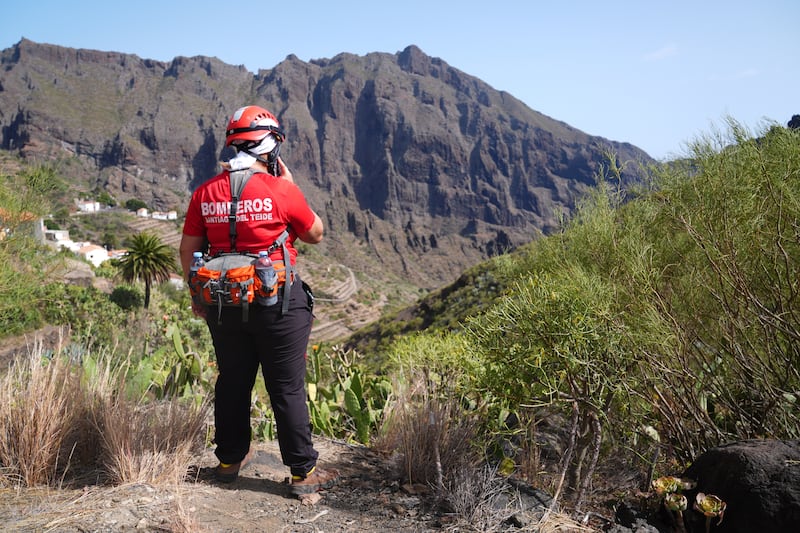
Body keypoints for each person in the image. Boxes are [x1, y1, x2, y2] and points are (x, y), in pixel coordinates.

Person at [179, 104, 338, 496]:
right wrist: (292, 187)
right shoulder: (281, 190)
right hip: (278, 303)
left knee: (233, 380)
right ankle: (302, 473)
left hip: (223, 301)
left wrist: (196, 296)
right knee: (286, 387)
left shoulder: (204, 193)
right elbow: (315, 233)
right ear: (269, 146)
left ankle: (230, 460)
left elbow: (188, 251)